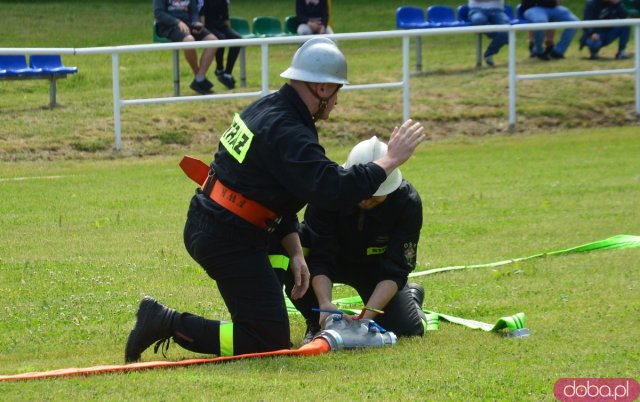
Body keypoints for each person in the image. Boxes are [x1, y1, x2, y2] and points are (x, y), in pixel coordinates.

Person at [124, 37, 426, 362]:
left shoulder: (269, 108)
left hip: (224, 226)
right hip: (228, 235)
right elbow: (330, 189)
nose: (338, 100)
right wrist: (390, 161)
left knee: (269, 332)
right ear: (322, 89)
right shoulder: (288, 129)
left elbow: (273, 190)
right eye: (337, 90)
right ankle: (165, 322)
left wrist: (295, 250)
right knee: (267, 340)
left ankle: (172, 322)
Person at [279, 136, 428, 344]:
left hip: (376, 269)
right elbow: (321, 256)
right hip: (331, 263)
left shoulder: (406, 202)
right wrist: (325, 306)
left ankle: (411, 296)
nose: (366, 199)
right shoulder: (329, 192)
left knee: (408, 330)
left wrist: (364, 321)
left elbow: (396, 267)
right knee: (296, 253)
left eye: (375, 195)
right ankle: (315, 322)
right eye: (361, 191)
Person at [154, 0, 218, 95]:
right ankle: (199, 78)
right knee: (189, 41)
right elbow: (158, 13)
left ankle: (199, 79)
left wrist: (195, 22)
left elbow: (194, 11)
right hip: (168, 26)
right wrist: (177, 22)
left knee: (213, 41)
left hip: (188, 24)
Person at [199, 0, 241, 89]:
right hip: (207, 25)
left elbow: (226, 18)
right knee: (220, 39)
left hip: (220, 24)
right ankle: (219, 69)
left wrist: (230, 31)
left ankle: (228, 73)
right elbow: (201, 14)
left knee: (237, 39)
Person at [467, 0, 510, 67]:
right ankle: (502, 37)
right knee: (478, 20)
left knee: (507, 29)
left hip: (497, 10)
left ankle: (489, 53)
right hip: (477, 10)